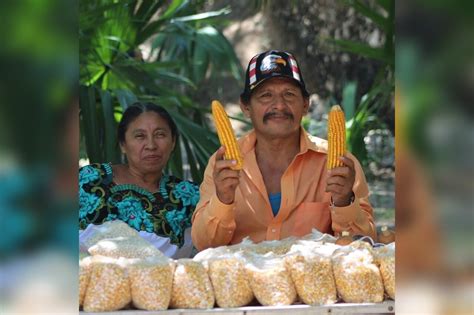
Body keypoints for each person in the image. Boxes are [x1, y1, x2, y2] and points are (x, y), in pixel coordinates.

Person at [192, 50, 377, 251]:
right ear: (246, 107)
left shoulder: (341, 164)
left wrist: (344, 201)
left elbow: (364, 246)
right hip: (241, 280)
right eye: (266, 95)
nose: (279, 105)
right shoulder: (222, 164)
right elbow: (203, 245)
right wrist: (223, 199)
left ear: (305, 105)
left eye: (289, 94)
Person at [79, 102, 199, 257]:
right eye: (140, 136)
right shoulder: (90, 180)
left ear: (173, 142)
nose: (151, 145)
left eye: (160, 135)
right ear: (123, 144)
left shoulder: (189, 196)